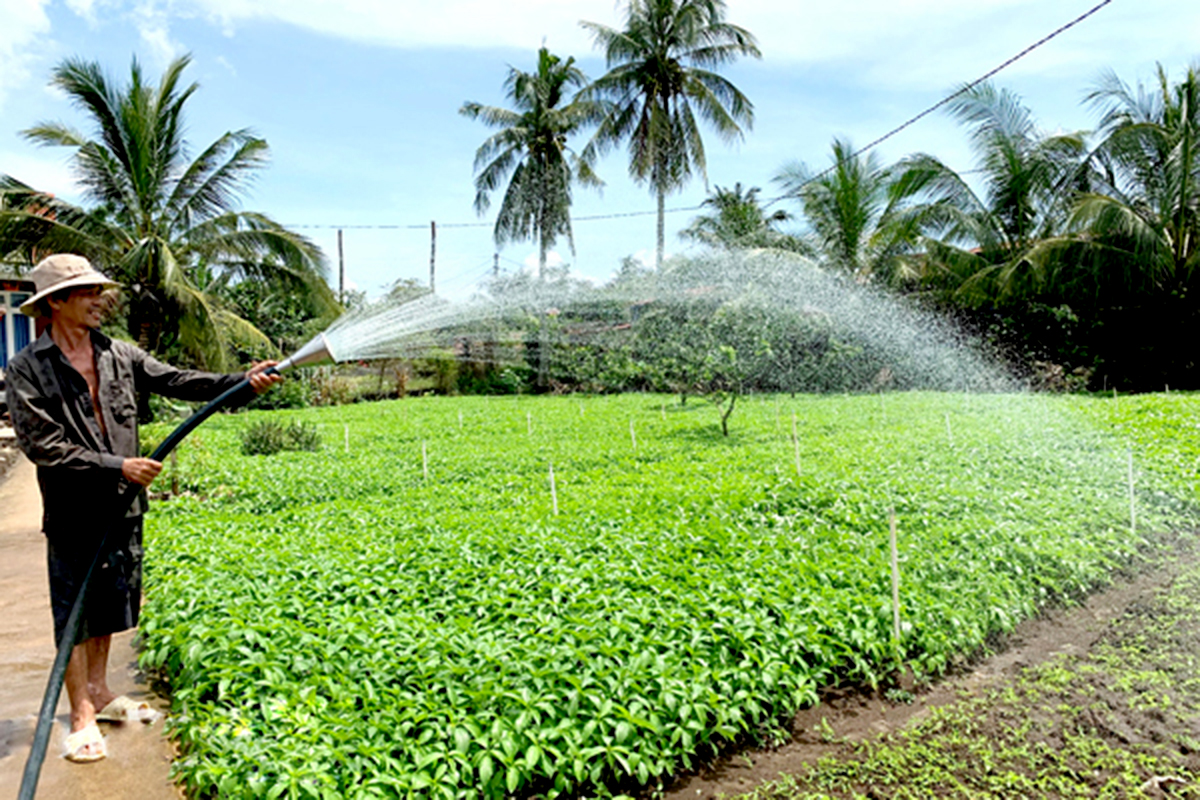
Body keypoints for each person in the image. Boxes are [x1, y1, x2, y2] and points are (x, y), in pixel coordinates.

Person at [4, 253, 283, 762]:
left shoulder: (119, 354)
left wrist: (242, 382)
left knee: (111, 600)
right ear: (56, 303)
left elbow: (179, 381)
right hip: (73, 509)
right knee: (74, 612)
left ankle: (102, 692)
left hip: (124, 505)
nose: (99, 301)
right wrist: (118, 466)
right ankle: (82, 717)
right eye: (87, 293)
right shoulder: (27, 367)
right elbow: (42, 446)